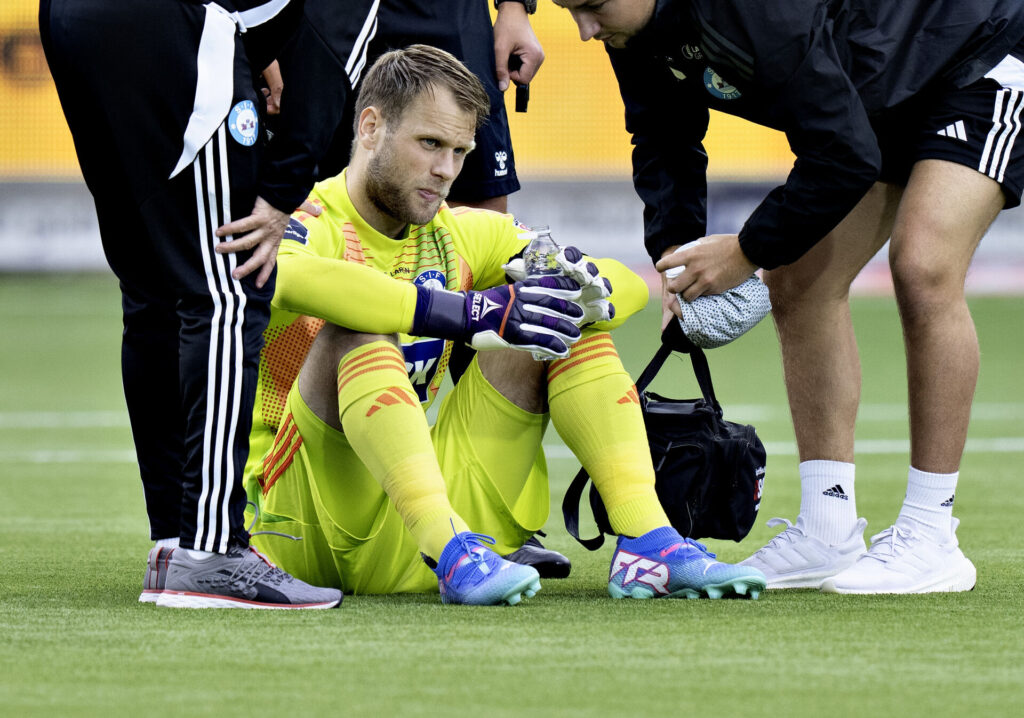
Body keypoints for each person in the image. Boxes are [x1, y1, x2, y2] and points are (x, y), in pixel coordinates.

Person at [242, 44, 768, 604]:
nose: (445, 170)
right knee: (357, 327)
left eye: (459, 151)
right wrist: (468, 312)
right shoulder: (308, 221)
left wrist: (586, 293)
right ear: (370, 127)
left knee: (557, 314)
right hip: (300, 530)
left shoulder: (459, 231)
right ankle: (450, 550)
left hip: (423, 526)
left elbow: (624, 280)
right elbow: (288, 277)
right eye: (429, 144)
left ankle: (647, 539)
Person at [553, 0, 1024, 593]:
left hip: (973, 51)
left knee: (923, 267)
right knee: (799, 282)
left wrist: (746, 251)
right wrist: (678, 264)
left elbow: (844, 155)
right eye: (569, 9)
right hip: (876, 85)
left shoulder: (754, 11)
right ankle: (827, 530)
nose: (584, 29)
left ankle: (932, 535)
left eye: (591, 7)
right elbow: (662, 135)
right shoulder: (631, 30)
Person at [40, 0, 342, 609]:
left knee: (152, 290)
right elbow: (325, 74)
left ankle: (174, 541)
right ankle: (211, 551)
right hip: (164, 20)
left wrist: (250, 56)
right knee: (228, 285)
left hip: (70, 20)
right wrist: (280, 199)